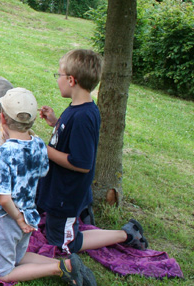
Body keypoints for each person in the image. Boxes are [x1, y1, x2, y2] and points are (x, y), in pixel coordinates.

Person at [37, 49, 149, 255]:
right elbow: (72, 138)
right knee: (54, 229)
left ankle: (127, 234)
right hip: (60, 188)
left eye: (59, 75)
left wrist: (45, 150)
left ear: (71, 80)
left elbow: (81, 163)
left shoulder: (83, 116)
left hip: (67, 192)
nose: (57, 79)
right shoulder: (78, 108)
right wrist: (55, 122)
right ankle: (82, 213)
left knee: (63, 243)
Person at [0, 88, 96, 286]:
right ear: (33, 120)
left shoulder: (3, 154)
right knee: (18, 256)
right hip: (29, 212)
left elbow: (4, 199)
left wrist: (18, 219)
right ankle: (69, 264)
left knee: (2, 271)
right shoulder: (38, 144)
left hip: (7, 218)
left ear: (3, 118)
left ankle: (61, 268)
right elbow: (43, 170)